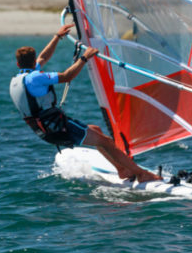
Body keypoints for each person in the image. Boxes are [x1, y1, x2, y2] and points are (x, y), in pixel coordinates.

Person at [10, 24, 159, 183]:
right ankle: (141, 174)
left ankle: (122, 169)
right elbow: (67, 76)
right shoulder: (35, 78)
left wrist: (57, 37)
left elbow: (43, 58)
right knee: (106, 142)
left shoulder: (19, 80)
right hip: (58, 126)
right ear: (32, 62)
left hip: (45, 130)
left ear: (18, 64)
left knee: (96, 130)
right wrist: (84, 57)